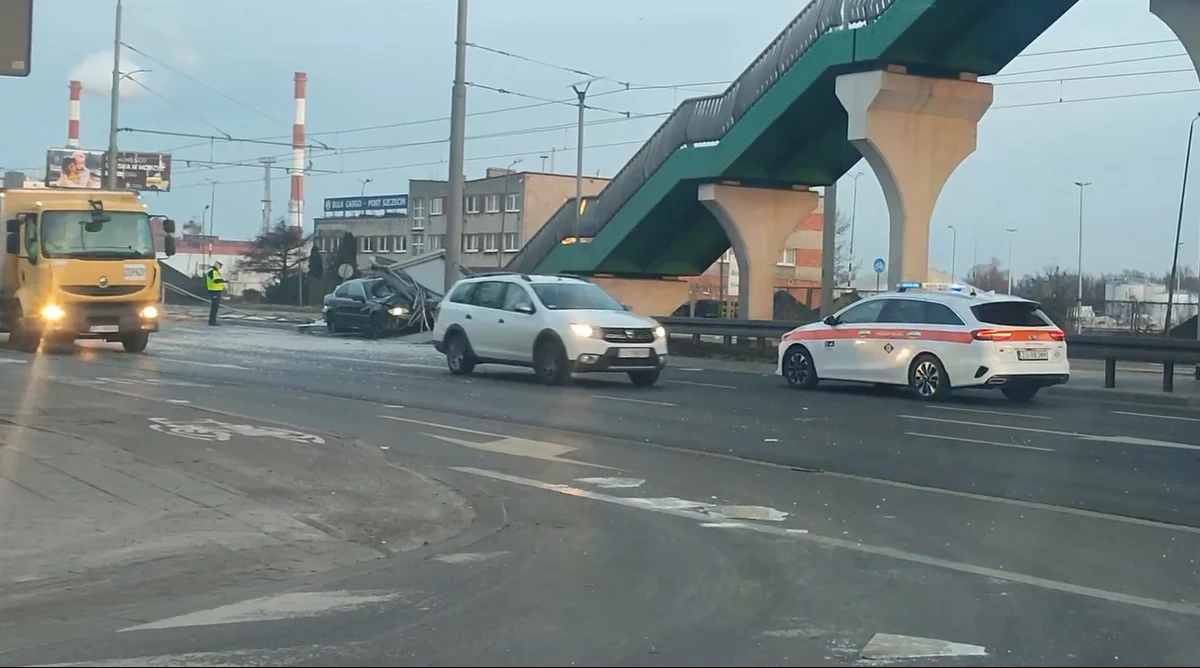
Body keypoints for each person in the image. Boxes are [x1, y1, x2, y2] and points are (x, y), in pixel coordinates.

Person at [205, 261, 226, 326]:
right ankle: (212, 322)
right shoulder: (213, 271)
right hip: (214, 291)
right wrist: (224, 281)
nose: (220, 267)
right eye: (220, 266)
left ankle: (213, 321)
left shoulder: (215, 271)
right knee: (214, 307)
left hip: (216, 291)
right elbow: (216, 280)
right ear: (217, 264)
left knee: (215, 307)